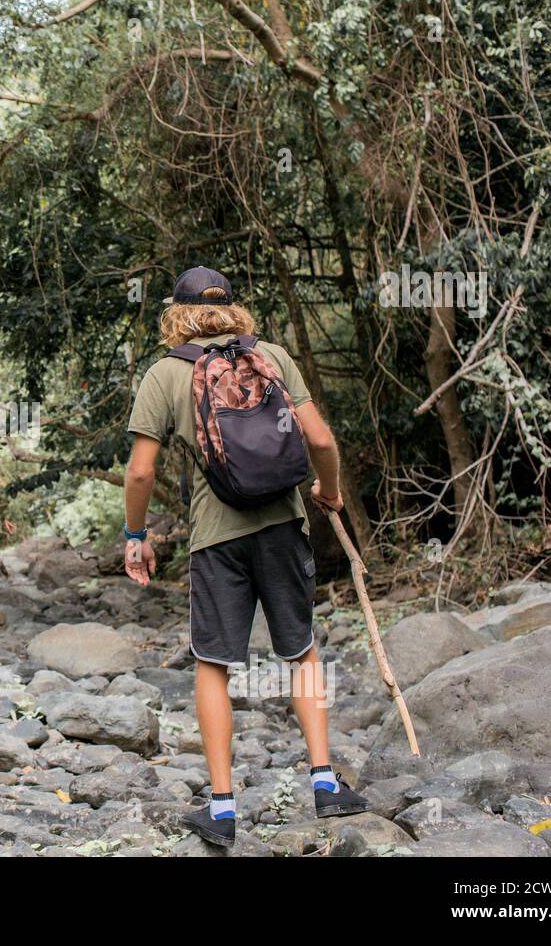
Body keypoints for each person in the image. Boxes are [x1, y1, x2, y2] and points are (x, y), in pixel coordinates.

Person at [122, 266, 368, 848]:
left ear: (175, 315)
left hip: (217, 538)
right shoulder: (273, 357)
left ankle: (225, 808)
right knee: (302, 652)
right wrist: (329, 492)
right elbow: (323, 441)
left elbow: (140, 470)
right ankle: (326, 784)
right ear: (233, 309)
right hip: (284, 525)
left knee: (214, 663)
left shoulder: (166, 374)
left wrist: (137, 536)